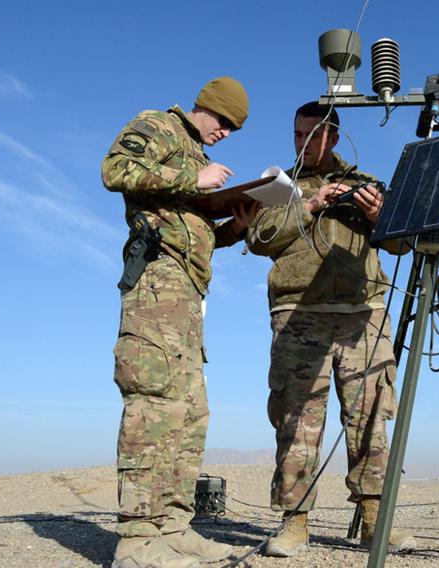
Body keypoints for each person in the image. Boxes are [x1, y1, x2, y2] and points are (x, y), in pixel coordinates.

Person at [245, 101, 415, 556]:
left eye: (312, 136)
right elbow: (258, 239)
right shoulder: (278, 187)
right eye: (297, 134)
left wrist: (382, 218)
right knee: (297, 419)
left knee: (370, 418)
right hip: (299, 313)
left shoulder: (366, 183)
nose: (302, 143)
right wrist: (311, 204)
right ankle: (294, 522)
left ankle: (375, 523)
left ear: (333, 137)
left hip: (363, 313)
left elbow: (402, 243)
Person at [102, 76, 258, 568]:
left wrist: (235, 226)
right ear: (208, 109)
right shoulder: (158, 126)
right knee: (152, 409)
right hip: (156, 287)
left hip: (189, 296)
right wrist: (195, 180)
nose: (227, 135)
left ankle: (173, 526)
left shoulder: (193, 155)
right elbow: (115, 169)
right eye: (227, 123)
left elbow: (194, 233)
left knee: (189, 415)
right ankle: (136, 541)